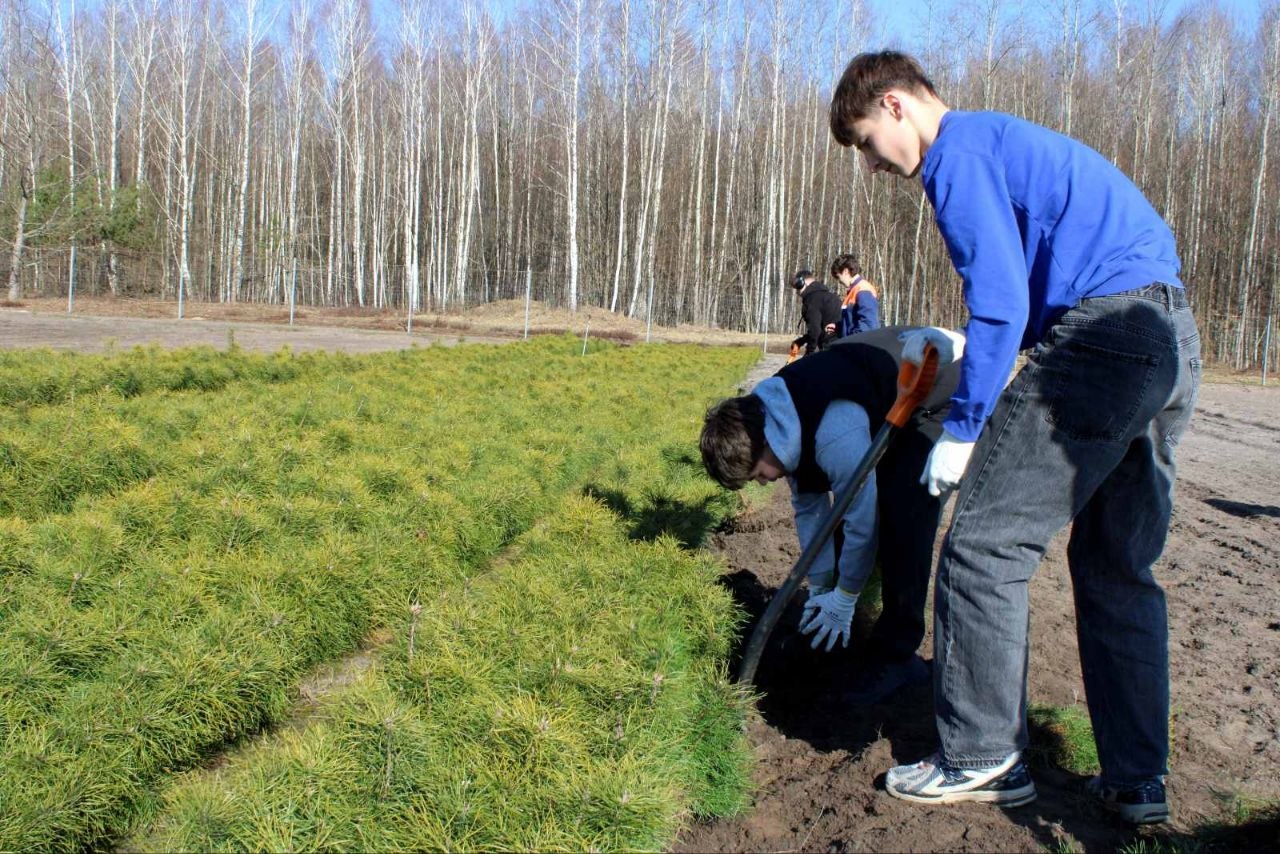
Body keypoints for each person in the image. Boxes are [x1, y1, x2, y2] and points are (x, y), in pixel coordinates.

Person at [829, 50, 1200, 824]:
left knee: (983, 547)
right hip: (1169, 337)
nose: (872, 166)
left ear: (895, 105)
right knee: (1114, 564)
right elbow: (1024, 299)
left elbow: (997, 302)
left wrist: (963, 428)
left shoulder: (956, 156)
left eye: (866, 143)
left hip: (1105, 340)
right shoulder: (1003, 142)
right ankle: (1137, 781)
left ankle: (981, 755)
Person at [701, 326, 964, 702]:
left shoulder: (833, 432)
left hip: (937, 392)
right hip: (879, 398)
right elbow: (810, 511)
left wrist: (844, 597)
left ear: (768, 444)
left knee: (904, 520)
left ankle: (898, 656)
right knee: (857, 515)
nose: (761, 484)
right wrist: (822, 588)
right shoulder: (776, 421)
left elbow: (861, 519)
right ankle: (851, 627)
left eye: (758, 474)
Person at [791, 269, 843, 356]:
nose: (797, 292)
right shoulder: (829, 296)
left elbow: (815, 331)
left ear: (803, 283)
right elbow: (821, 328)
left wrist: (809, 353)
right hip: (840, 345)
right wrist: (801, 341)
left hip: (829, 348)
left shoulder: (812, 300)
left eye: (797, 287)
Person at [832, 253, 880, 336]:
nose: (839, 281)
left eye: (838, 277)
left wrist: (852, 343)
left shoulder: (863, 290)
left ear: (846, 271)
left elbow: (868, 325)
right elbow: (852, 322)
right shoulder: (854, 291)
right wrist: (838, 327)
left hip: (857, 346)